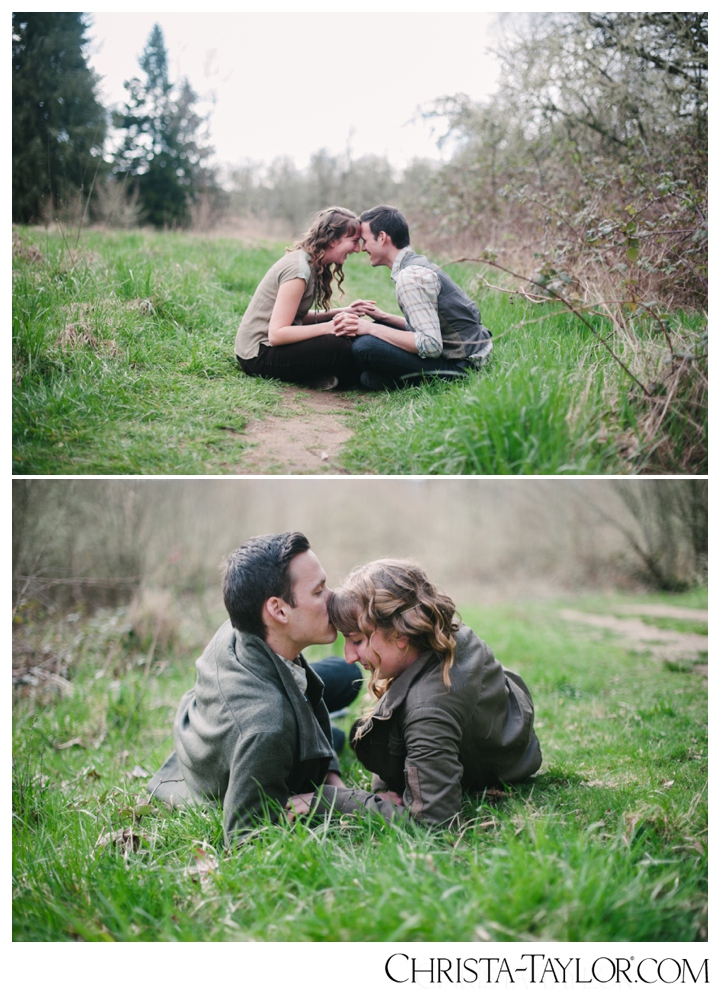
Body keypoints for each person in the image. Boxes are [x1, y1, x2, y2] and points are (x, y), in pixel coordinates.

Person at [288, 558, 541, 827]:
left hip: (506, 763)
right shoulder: (442, 632)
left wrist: (331, 799)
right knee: (334, 735)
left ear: (401, 634)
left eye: (357, 640)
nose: (349, 656)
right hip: (515, 738)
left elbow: (431, 820)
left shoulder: (428, 709)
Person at [147, 532, 362, 845]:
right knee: (335, 737)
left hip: (208, 720)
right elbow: (245, 836)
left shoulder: (242, 623)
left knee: (346, 674)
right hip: (243, 728)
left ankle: (328, 727)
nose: (334, 597)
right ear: (278, 610)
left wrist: (333, 777)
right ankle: (329, 730)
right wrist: (339, 798)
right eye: (319, 591)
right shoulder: (267, 728)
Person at [333, 205, 493, 390]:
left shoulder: (410, 277)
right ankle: (378, 379)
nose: (362, 248)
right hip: (468, 353)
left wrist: (367, 327)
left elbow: (430, 345)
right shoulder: (416, 265)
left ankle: (379, 379)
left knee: (365, 345)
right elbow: (428, 326)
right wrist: (383, 317)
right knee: (378, 329)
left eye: (365, 240)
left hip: (462, 366)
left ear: (383, 237)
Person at [235, 206, 371, 390]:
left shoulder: (311, 263)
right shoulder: (299, 270)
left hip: (266, 349)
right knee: (339, 345)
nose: (357, 249)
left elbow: (295, 316)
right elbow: (277, 334)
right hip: (257, 355)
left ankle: (317, 376)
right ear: (333, 241)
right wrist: (330, 327)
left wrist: (342, 312)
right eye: (354, 241)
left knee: (349, 335)